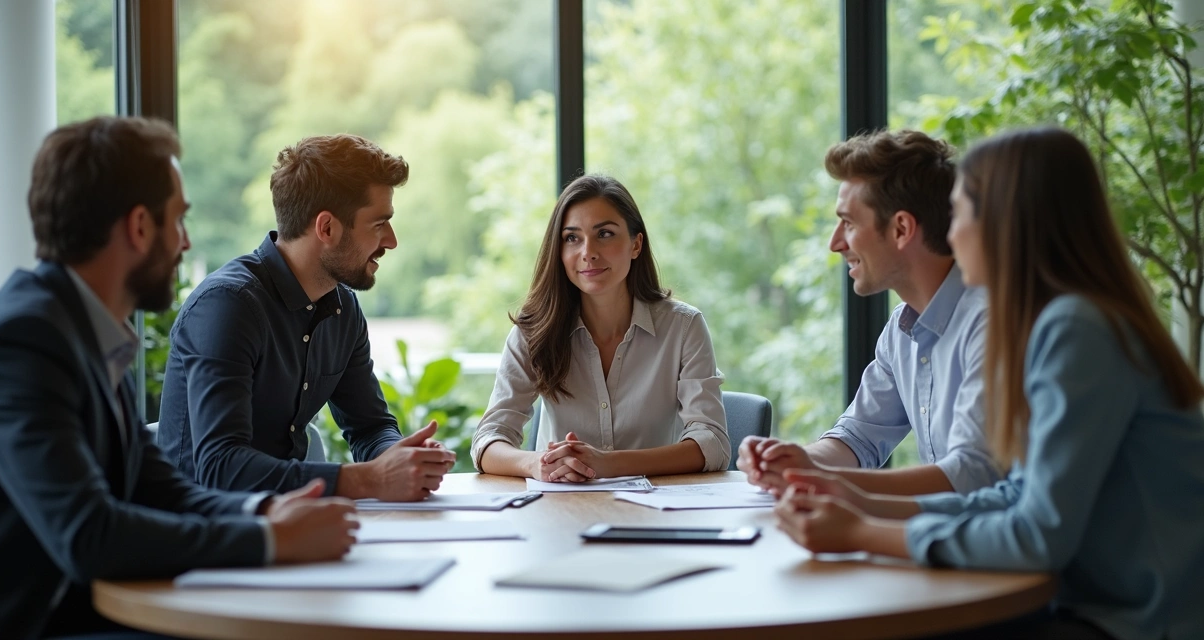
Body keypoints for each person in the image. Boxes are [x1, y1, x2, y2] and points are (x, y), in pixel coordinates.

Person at [775, 127, 1204, 640]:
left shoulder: (1074, 330)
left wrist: (862, 531)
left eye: (963, 215)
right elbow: (1013, 495)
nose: (951, 235)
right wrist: (856, 501)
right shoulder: (1069, 321)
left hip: (1135, 623)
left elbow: (1037, 535)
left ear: (1006, 224)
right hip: (1099, 606)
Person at [0, 116, 359, 639]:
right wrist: (269, 540)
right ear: (141, 227)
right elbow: (89, 534)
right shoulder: (25, 339)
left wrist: (269, 508)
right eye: (177, 220)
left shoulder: (81, 325)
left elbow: (158, 489)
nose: (185, 243)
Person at [158, 134, 455, 500]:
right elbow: (221, 467)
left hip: (291, 526)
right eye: (379, 224)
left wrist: (401, 457)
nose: (391, 241)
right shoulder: (227, 306)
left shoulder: (342, 308)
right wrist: (368, 479)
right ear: (326, 228)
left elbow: (370, 427)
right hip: (208, 539)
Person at [739, 130, 999, 496]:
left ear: (901, 229)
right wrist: (796, 461)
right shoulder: (902, 330)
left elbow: (972, 477)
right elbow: (858, 438)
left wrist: (823, 482)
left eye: (848, 223)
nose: (835, 244)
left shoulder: (992, 323)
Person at [470, 174, 730, 481]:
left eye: (604, 234)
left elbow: (712, 445)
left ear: (636, 244)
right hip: (558, 513)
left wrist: (610, 464)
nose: (588, 252)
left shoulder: (683, 327)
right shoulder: (533, 331)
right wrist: (537, 464)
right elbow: (488, 441)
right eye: (572, 238)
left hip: (655, 517)